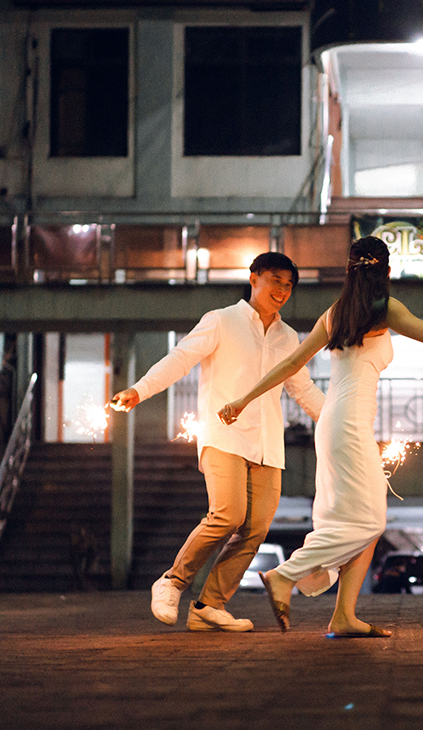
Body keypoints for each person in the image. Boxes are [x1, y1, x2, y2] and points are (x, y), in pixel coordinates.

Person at [219, 236, 423, 638]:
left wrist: (244, 398)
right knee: (371, 519)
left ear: (350, 270)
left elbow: (291, 364)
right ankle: (286, 574)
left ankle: (344, 617)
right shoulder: (384, 308)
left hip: (335, 424)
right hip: (349, 424)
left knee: (356, 519)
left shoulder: (336, 313)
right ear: (387, 272)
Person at [109, 252, 324, 633]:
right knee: (228, 514)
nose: (282, 290)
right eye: (276, 280)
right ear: (254, 278)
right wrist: (140, 390)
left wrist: (340, 425)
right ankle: (172, 581)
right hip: (224, 436)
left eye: (289, 285)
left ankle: (209, 605)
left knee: (255, 529)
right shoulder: (221, 320)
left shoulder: (289, 337)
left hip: (268, 443)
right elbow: (181, 358)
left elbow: (302, 388)